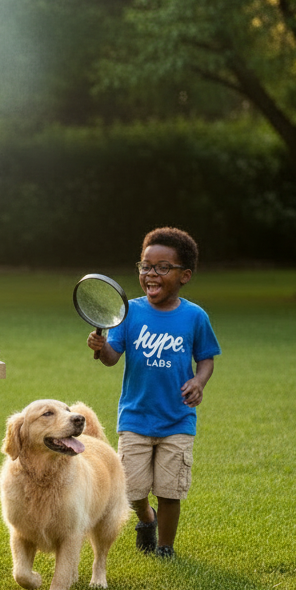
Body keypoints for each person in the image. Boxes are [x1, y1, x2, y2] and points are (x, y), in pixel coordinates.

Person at [87, 226, 221, 559]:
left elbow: (206, 359)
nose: (151, 274)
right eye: (146, 266)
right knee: (131, 490)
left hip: (177, 418)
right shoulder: (128, 312)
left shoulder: (194, 316)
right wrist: (101, 347)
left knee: (170, 491)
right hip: (135, 417)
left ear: (184, 275)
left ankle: (165, 547)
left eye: (163, 267)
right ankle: (146, 519)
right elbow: (111, 358)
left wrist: (199, 382)